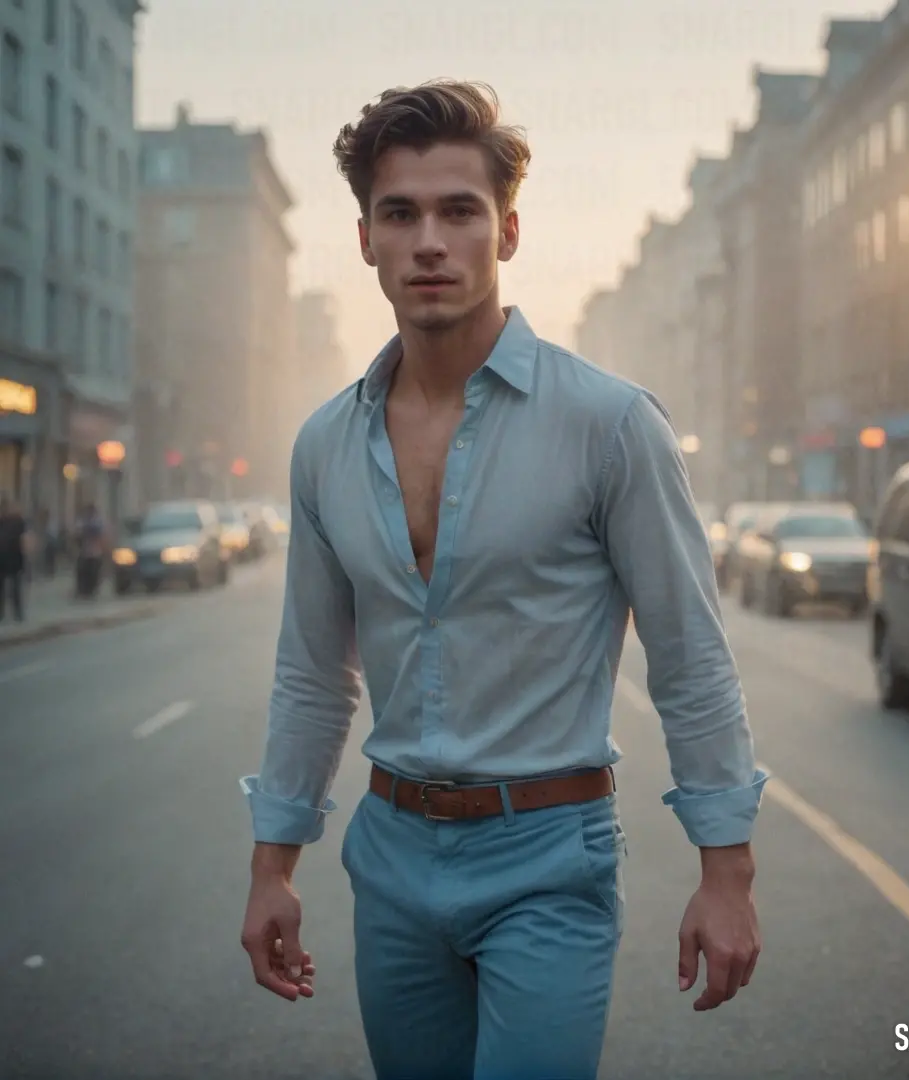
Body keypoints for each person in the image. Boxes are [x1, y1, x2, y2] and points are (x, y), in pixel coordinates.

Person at [240, 79, 767, 1080]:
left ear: (508, 232)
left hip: (548, 859)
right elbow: (314, 673)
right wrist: (273, 866)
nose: (428, 241)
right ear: (365, 240)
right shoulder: (325, 446)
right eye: (399, 214)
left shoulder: (609, 425)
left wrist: (727, 873)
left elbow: (692, 656)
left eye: (459, 212)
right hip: (390, 857)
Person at [0, 495, 28, 622]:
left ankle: (17, 613)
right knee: (6, 587)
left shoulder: (18, 521)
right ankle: (8, 613)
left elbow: (24, 540)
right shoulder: (8, 521)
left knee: (14, 587)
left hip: (14, 557)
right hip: (6, 558)